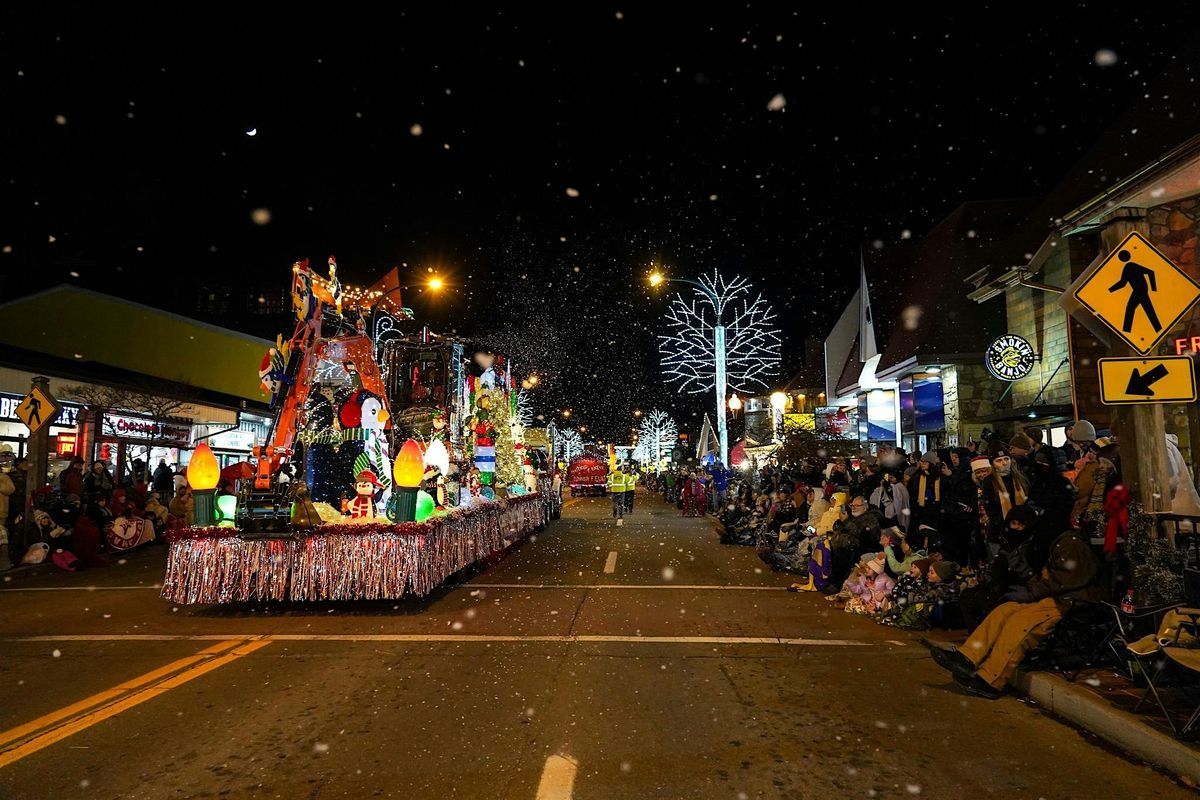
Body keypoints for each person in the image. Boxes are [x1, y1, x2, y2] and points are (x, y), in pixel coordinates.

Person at [927, 528, 1100, 698]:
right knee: (1004, 610)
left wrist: (1034, 590)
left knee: (1020, 624)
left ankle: (991, 679)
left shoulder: (1071, 545)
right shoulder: (1059, 540)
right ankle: (967, 658)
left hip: (1067, 602)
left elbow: (1063, 580)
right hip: (1055, 598)